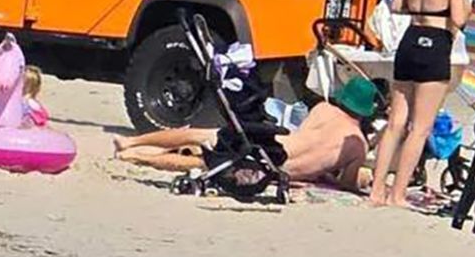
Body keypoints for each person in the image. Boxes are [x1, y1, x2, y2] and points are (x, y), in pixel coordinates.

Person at [114, 76, 380, 191]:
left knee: (200, 135)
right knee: (205, 164)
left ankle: (132, 141)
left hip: (272, 142)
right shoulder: (358, 146)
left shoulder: (323, 109)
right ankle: (137, 158)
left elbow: (307, 136)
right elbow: (347, 182)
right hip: (277, 166)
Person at [369, 0, 472, 207]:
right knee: (420, 127)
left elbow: (397, 5)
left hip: (410, 38)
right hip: (435, 42)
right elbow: (459, 18)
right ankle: (397, 193)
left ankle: (377, 190)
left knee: (395, 122)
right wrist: (467, 6)